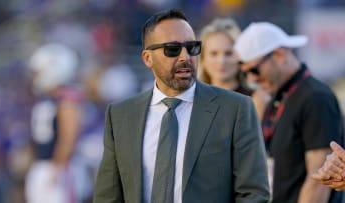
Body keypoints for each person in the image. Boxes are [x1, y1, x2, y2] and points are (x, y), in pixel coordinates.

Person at [94, 9, 269, 203]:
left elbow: (254, 193)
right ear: (147, 58)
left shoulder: (236, 108)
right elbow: (107, 196)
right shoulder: (121, 115)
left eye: (191, 47)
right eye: (172, 49)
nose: (185, 57)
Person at [233, 22, 344, 203]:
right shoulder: (280, 96)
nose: (252, 79)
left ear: (278, 55)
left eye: (254, 70)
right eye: (245, 74)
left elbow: (319, 181)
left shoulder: (315, 98)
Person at [25, 43, 90, 203]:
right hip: (43, 165)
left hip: (60, 167)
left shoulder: (67, 98)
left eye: (38, 72)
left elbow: (68, 137)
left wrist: (57, 167)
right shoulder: (46, 98)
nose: (35, 76)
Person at [198, 17, 269, 120]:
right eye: (214, 54)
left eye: (228, 53)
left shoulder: (256, 100)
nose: (221, 61)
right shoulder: (192, 100)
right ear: (203, 59)